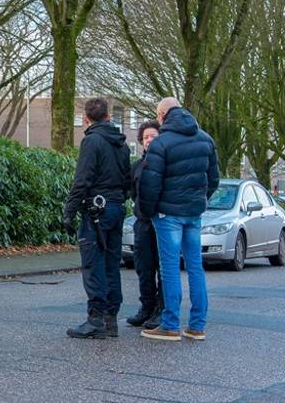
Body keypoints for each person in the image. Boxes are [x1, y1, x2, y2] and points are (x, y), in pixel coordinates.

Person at [138, 97, 219, 341]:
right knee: (195, 267)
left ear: (162, 115)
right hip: (194, 213)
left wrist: (148, 211)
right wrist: (198, 200)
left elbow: (150, 184)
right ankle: (197, 325)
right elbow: (213, 179)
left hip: (167, 214)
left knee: (170, 269)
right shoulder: (205, 139)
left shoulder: (161, 143)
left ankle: (170, 324)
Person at [63, 98, 131, 339]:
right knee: (112, 264)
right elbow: (127, 179)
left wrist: (69, 212)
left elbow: (82, 179)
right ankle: (111, 318)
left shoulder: (91, 142)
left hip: (96, 210)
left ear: (86, 119)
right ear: (109, 117)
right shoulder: (122, 145)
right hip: (116, 208)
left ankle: (95, 319)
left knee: (93, 264)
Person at [126, 119, 164, 329]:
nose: (149, 140)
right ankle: (146, 307)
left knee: (163, 268)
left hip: (162, 222)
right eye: (146, 137)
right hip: (142, 223)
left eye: (153, 136)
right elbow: (132, 191)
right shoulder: (137, 166)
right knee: (144, 267)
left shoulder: (166, 163)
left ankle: (162, 309)